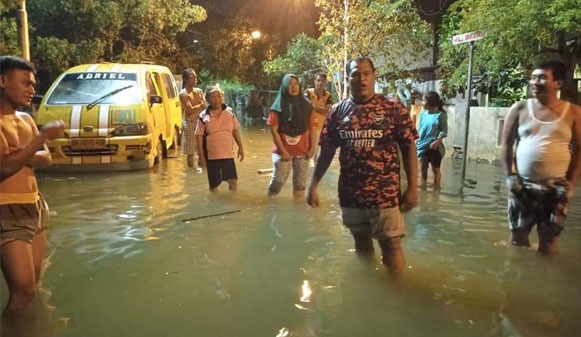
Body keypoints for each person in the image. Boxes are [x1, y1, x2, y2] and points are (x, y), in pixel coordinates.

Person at [307, 57, 418, 274]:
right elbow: (327, 150)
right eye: (355, 74)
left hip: (385, 194)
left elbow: (409, 147)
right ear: (348, 79)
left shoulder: (392, 108)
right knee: (362, 246)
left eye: (366, 73)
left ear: (374, 76)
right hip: (351, 195)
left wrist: (413, 187)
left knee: (392, 246)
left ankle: (395, 294)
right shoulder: (338, 112)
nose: (362, 79)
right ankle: (369, 287)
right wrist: (313, 184)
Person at [0, 56, 65, 314]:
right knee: (23, 290)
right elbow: (4, 167)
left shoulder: (25, 119)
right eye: (25, 83)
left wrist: (20, 152)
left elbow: (46, 158)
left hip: (35, 206)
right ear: (2, 81)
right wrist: (41, 138)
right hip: (6, 211)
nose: (32, 90)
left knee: (33, 287)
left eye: (33, 84)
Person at [500, 60, 581, 254]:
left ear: (558, 83)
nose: (535, 82)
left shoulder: (574, 113)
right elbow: (506, 145)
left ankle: (545, 278)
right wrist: (510, 176)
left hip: (556, 188)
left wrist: (570, 184)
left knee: (548, 243)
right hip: (522, 185)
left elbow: (579, 152)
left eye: (542, 77)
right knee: (518, 240)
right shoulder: (519, 109)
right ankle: (518, 279)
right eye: (533, 77)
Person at [267, 74, 317, 198]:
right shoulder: (277, 107)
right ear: (284, 86)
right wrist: (283, 151)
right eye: (290, 84)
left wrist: (312, 149)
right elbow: (274, 131)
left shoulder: (307, 106)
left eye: (296, 83)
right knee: (276, 185)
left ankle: (299, 213)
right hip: (282, 154)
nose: (293, 87)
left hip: (303, 153)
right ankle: (271, 210)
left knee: (300, 186)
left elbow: (313, 129)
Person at [195, 87, 244, 191]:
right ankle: (213, 204)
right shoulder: (203, 116)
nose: (216, 100)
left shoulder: (229, 112)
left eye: (218, 96)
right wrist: (201, 156)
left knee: (233, 182)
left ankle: (232, 202)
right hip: (212, 156)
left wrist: (240, 147)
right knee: (214, 185)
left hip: (227, 155)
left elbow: (235, 130)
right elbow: (199, 136)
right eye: (212, 97)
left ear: (222, 97)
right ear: (207, 100)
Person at [416, 91, 448, 189]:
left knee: (436, 169)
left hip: (435, 147)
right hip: (422, 145)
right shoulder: (422, 114)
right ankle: (423, 187)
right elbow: (419, 128)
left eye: (424, 100)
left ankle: (436, 190)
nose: (422, 103)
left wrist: (437, 142)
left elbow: (444, 131)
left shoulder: (440, 115)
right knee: (423, 168)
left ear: (431, 102)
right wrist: (416, 140)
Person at [179, 68, 206, 171]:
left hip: (200, 121)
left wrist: (199, 106)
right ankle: (191, 171)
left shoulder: (199, 91)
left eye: (195, 77)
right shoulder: (183, 93)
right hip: (189, 123)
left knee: (202, 148)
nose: (195, 79)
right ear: (185, 80)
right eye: (192, 77)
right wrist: (200, 105)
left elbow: (205, 107)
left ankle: (202, 167)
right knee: (190, 151)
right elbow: (189, 110)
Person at [304, 73, 333, 162]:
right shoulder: (308, 92)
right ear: (314, 81)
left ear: (325, 82)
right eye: (318, 80)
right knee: (308, 149)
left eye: (322, 81)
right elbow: (306, 107)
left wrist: (314, 107)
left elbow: (329, 110)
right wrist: (321, 109)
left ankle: (315, 171)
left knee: (318, 150)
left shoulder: (327, 95)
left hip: (321, 126)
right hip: (309, 126)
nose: (320, 83)